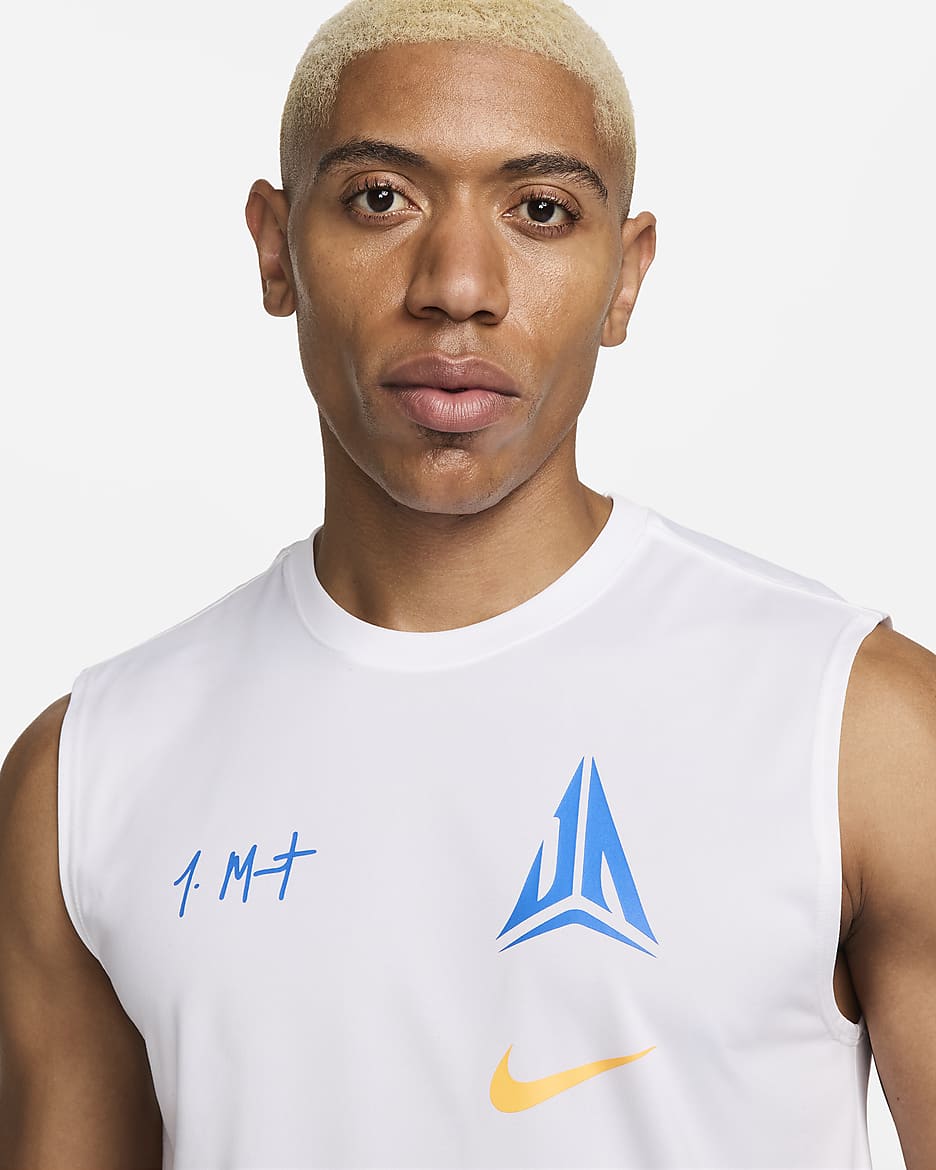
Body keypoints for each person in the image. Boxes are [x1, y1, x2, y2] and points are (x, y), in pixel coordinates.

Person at [1, 0, 933, 1166]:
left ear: (625, 276)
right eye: (380, 199)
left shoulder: (859, 731)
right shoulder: (88, 777)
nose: (457, 284)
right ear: (276, 249)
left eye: (540, 210)